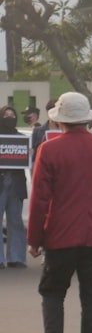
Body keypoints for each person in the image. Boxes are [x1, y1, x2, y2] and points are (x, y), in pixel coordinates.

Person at [27, 92, 92, 333]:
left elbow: (39, 198)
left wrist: (34, 238)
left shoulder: (49, 150)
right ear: (88, 118)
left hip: (60, 236)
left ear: (59, 120)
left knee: (52, 293)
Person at [0, 106, 28, 268]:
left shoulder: (21, 138)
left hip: (16, 183)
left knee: (15, 220)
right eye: (6, 115)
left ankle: (16, 257)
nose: (9, 117)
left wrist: (28, 153)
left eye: (12, 115)